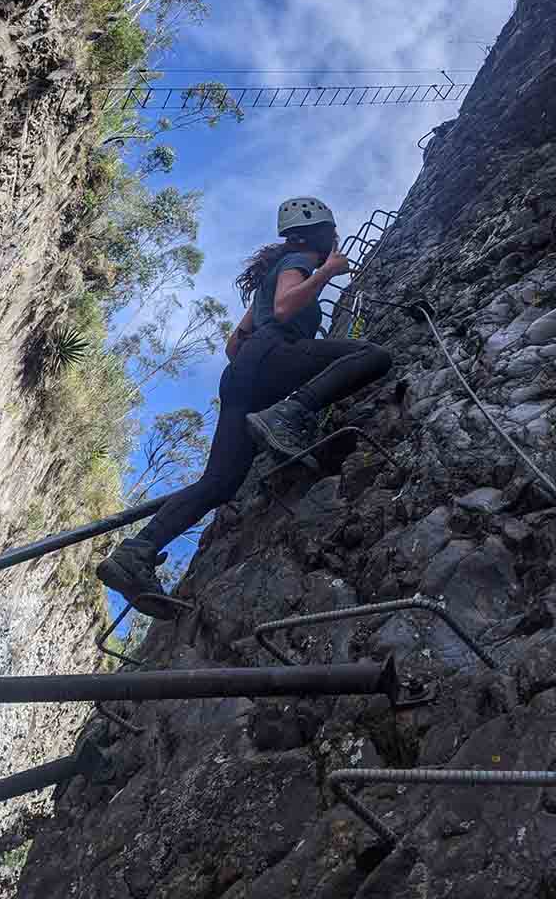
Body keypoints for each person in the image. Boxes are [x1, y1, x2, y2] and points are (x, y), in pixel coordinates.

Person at [95, 197, 393, 617]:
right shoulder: (301, 259)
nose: (335, 240)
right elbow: (288, 307)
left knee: (220, 482)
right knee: (373, 354)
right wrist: (326, 272)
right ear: (318, 235)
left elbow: (235, 344)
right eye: (332, 233)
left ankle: (135, 553)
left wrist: (261, 375)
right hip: (273, 356)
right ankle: (290, 414)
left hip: (244, 375)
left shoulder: (269, 278)